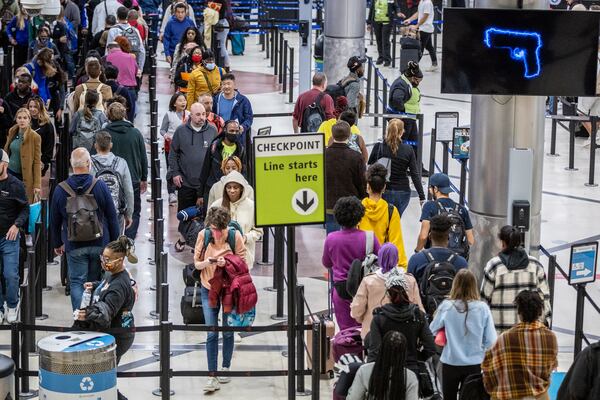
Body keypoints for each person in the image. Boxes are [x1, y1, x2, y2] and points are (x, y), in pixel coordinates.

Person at [51, 148, 120, 310]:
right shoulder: (100, 185)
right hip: (99, 243)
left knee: (76, 283)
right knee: (96, 280)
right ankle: (95, 316)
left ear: (71, 164)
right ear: (88, 164)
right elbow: (112, 216)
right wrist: (115, 244)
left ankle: (80, 319)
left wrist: (57, 243)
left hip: (74, 246)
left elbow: (54, 221)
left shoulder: (61, 189)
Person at [75, 236, 137, 400]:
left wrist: (88, 313)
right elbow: (105, 284)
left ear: (120, 260)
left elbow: (106, 311)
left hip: (117, 337)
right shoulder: (113, 274)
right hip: (112, 333)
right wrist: (95, 285)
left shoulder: (119, 286)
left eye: (108, 259)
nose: (103, 261)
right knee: (102, 377)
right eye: (103, 257)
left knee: (103, 379)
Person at [193, 206, 246, 393]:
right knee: (211, 332)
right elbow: (196, 263)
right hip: (208, 289)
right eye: (213, 228)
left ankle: (225, 366)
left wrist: (228, 262)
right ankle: (212, 374)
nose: (216, 233)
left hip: (229, 289)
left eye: (220, 229)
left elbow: (243, 264)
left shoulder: (234, 236)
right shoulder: (203, 235)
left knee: (228, 330)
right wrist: (208, 262)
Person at [429, 269, 497, 400]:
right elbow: (491, 340)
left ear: (455, 284)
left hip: (450, 362)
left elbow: (431, 329)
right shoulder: (482, 308)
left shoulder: (447, 306)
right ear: (474, 286)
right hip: (475, 363)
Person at [482, 290, 558, 400]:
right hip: (539, 396)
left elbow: (488, 367)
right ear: (540, 312)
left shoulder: (505, 338)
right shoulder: (551, 337)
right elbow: (551, 367)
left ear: (519, 312)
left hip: (509, 395)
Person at [322, 196, 381, 331]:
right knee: (366, 329)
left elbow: (326, 263)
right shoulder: (369, 237)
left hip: (341, 290)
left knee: (346, 332)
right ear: (360, 216)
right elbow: (380, 262)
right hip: (366, 289)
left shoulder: (331, 238)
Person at [481, 225, 552, 334]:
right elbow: (545, 299)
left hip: (499, 336)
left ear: (503, 243)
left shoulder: (494, 266)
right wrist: (545, 325)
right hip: (529, 334)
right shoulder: (535, 265)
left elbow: (483, 302)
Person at [366, 270, 436, 370]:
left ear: (388, 294)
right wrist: (417, 357)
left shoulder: (379, 317)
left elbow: (374, 351)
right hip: (411, 368)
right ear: (406, 291)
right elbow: (431, 347)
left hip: (386, 370)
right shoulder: (417, 315)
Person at [351, 243, 422, 339]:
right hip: (404, 335)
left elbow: (356, 310)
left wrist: (363, 320)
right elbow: (419, 310)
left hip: (373, 335)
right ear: (397, 259)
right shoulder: (409, 280)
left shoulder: (369, 281)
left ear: (379, 259)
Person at [105, 102, 147, 241]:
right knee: (133, 210)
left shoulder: (105, 134)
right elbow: (143, 157)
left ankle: (113, 240)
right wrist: (144, 178)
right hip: (133, 178)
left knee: (110, 210)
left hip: (109, 179)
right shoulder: (135, 133)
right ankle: (128, 242)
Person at [368, 118, 425, 216]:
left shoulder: (379, 147)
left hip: (383, 189)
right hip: (403, 191)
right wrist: (421, 196)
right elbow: (414, 174)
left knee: (383, 220)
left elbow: (370, 169)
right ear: (402, 132)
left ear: (388, 130)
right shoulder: (408, 149)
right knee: (396, 221)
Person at [169, 102, 218, 211]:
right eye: (198, 114)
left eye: (204, 114)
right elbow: (173, 154)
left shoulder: (212, 131)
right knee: (185, 217)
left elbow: (216, 155)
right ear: (190, 115)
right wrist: (175, 173)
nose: (202, 117)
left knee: (207, 218)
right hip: (186, 184)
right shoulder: (180, 131)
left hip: (206, 185)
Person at [358, 164, 408, 267]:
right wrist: (402, 267)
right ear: (384, 188)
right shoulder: (391, 211)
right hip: (383, 265)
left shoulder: (358, 209)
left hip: (360, 264)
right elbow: (396, 242)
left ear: (368, 187)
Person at [347, 331, 419, 400]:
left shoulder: (365, 370)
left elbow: (354, 398)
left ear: (381, 348)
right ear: (404, 353)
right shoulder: (410, 377)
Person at [415, 173, 474, 257]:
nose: (429, 190)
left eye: (430, 187)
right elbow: (471, 240)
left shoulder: (429, 206)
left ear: (435, 189)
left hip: (436, 256)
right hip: (457, 258)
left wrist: (417, 250)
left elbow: (423, 236)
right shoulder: (461, 209)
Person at [211, 171, 262, 268]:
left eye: (235, 187)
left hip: (244, 257)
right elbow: (209, 230)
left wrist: (245, 238)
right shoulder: (216, 206)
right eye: (229, 187)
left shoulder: (252, 206)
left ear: (242, 188)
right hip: (221, 257)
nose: (232, 190)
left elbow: (258, 231)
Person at [0, 149, 28, 323]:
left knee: (10, 274)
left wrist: (17, 225)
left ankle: (12, 304)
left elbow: (25, 209)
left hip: (9, 238)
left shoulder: (15, 185)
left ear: (5, 164)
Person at [324, 121, 366, 234]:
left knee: (331, 234)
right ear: (349, 135)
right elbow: (361, 182)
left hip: (329, 203)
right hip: (351, 204)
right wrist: (363, 198)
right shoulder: (356, 157)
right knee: (351, 235)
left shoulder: (323, 155)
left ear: (332, 135)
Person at [388, 61, 428, 175]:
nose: (418, 83)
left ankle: (417, 167)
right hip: (403, 119)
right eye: (418, 81)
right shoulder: (401, 84)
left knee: (415, 143)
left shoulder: (407, 82)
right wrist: (403, 111)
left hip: (410, 118)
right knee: (401, 144)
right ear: (413, 77)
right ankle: (401, 168)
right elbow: (396, 100)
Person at [91, 131, 134, 232]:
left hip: (96, 213)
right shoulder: (121, 163)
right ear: (111, 145)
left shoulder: (90, 164)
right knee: (116, 244)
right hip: (117, 211)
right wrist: (129, 214)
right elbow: (129, 190)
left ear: (95, 145)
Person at [408, 214, 468, 284]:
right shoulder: (461, 263)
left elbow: (409, 288)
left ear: (429, 236)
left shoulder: (416, 259)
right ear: (448, 237)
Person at [199, 119, 246, 205]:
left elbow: (243, 172)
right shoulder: (214, 147)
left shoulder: (241, 150)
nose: (234, 133)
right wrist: (200, 195)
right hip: (213, 189)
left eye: (236, 131)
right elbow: (205, 170)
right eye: (231, 131)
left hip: (233, 193)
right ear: (225, 130)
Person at [4, 108, 41, 203]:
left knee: (23, 203)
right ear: (16, 119)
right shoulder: (12, 131)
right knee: (8, 202)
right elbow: (7, 152)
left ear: (29, 120)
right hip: (10, 173)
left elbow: (37, 162)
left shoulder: (35, 137)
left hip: (25, 176)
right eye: (19, 118)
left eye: (25, 118)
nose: (22, 120)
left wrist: (37, 185)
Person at [160, 92, 190, 204]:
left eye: (184, 100)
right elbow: (162, 129)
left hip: (185, 147)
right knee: (171, 169)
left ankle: (180, 188)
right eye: (180, 100)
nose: (183, 102)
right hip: (171, 146)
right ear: (174, 103)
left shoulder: (188, 114)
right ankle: (171, 193)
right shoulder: (169, 115)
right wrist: (165, 135)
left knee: (183, 168)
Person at [213, 74, 254, 142]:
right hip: (221, 136)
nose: (226, 86)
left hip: (237, 137)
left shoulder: (243, 100)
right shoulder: (216, 99)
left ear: (234, 84)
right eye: (224, 84)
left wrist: (242, 127)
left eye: (229, 84)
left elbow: (249, 118)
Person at [105, 6, 146, 71]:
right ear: (127, 16)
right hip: (132, 64)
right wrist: (140, 69)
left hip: (118, 66)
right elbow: (142, 51)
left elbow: (108, 50)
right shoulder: (134, 30)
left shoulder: (113, 30)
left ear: (117, 16)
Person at [403, 0, 438, 71]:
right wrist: (409, 19)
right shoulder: (422, 2)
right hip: (423, 28)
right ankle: (435, 64)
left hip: (425, 29)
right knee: (429, 46)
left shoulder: (428, 2)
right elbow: (418, 13)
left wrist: (416, 26)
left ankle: (412, 68)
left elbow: (425, 16)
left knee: (420, 48)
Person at [27, 97, 55, 176]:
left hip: (40, 160)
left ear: (40, 108)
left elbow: (49, 146)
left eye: (35, 107)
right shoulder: (25, 121)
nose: (32, 109)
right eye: (30, 106)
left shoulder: (47, 125)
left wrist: (43, 161)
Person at [367, 0, 400, 66]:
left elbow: (396, 7)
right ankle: (381, 57)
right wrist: (369, 23)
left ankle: (387, 59)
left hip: (387, 22)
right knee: (378, 40)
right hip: (377, 21)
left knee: (385, 40)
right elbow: (372, 9)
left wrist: (398, 12)